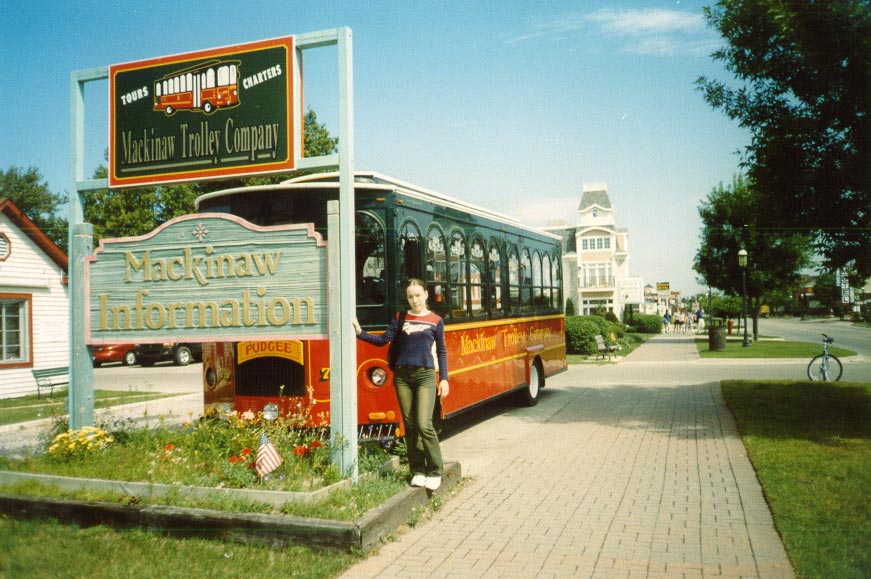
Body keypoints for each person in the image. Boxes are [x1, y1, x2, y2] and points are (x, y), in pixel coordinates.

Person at [353, 278, 450, 491]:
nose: (414, 300)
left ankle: (435, 470)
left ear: (426, 294)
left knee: (424, 423)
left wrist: (444, 378)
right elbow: (383, 340)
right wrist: (361, 333)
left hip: (425, 376)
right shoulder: (401, 317)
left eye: (418, 295)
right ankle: (417, 470)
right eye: (410, 296)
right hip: (402, 377)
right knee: (410, 425)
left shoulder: (435, 320)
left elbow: (442, 352)